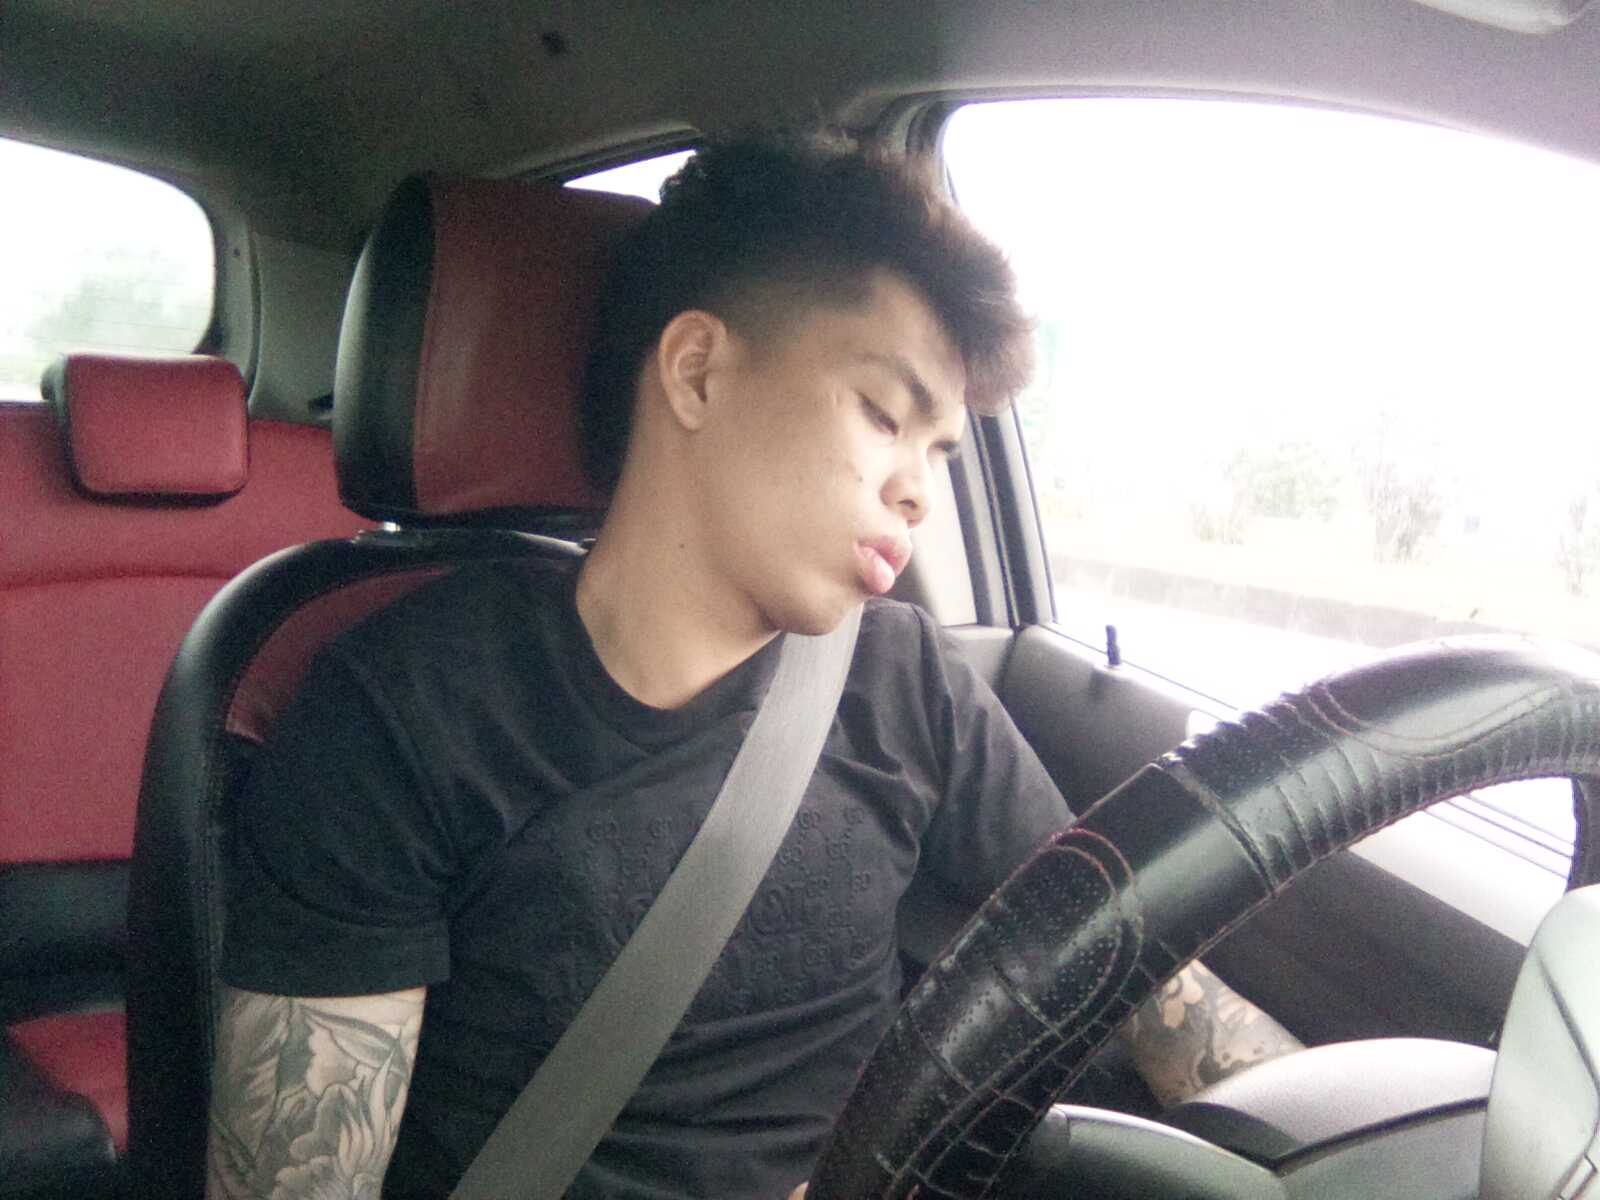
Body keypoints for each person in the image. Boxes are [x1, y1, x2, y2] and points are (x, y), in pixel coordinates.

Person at [207, 133, 1301, 1200]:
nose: (919, 491)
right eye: (884, 415)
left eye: (939, 453)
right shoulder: (397, 713)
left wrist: (1315, 1139)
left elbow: (1134, 971)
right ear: (697, 373)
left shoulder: (906, 679)